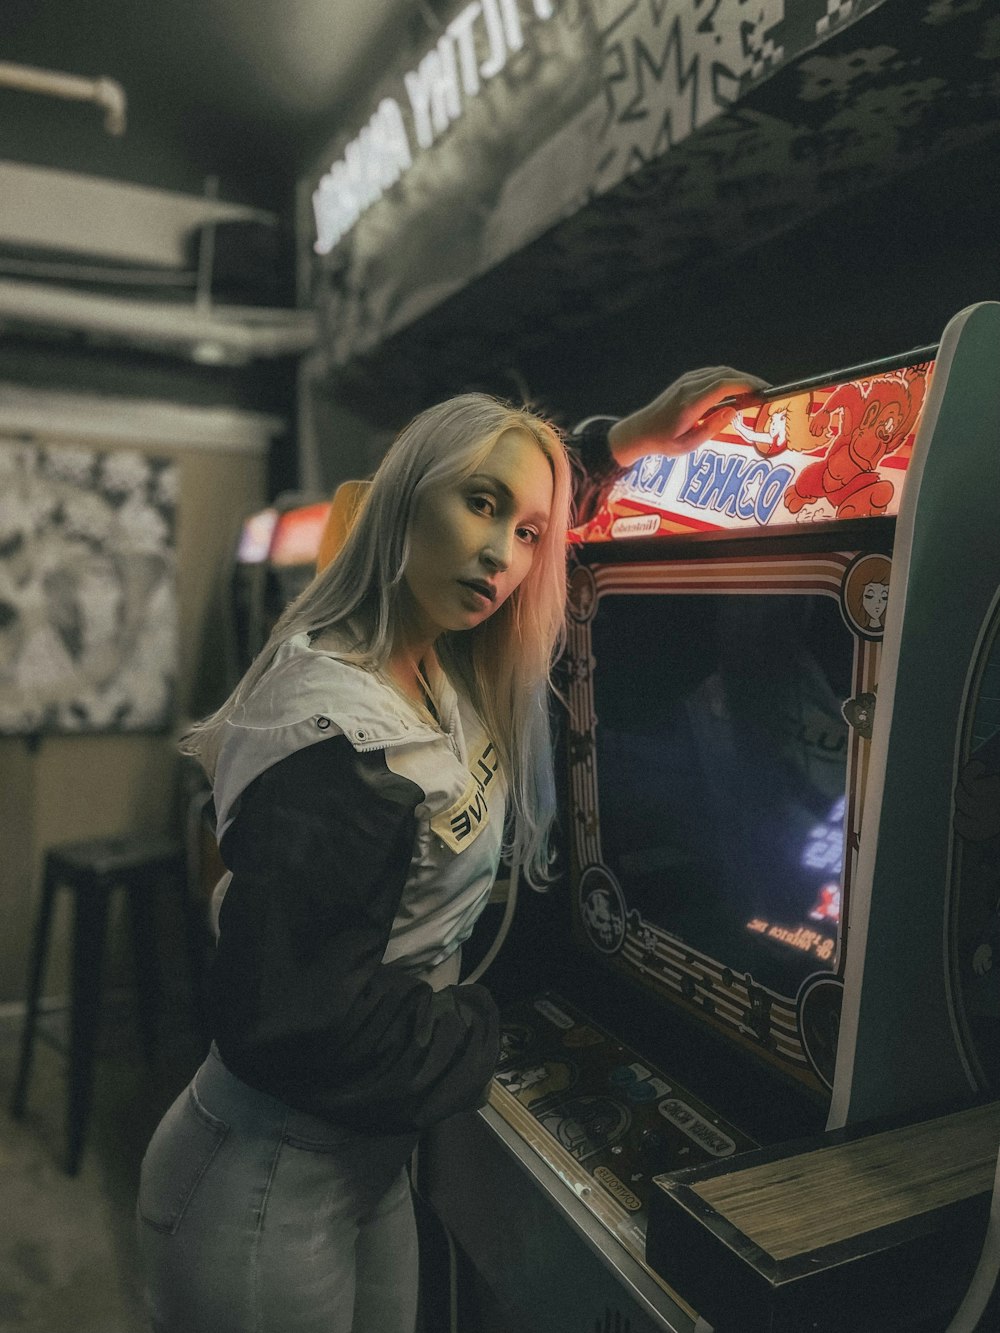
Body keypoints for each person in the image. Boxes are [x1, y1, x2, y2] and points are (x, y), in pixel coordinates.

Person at [136, 368, 763, 1333]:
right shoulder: (336, 738)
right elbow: (296, 1023)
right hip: (264, 1181)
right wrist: (495, 1025)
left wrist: (626, 439)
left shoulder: (433, 647)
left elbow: (518, 502)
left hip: (366, 1155)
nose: (499, 558)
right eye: (478, 505)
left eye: (526, 535)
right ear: (402, 499)